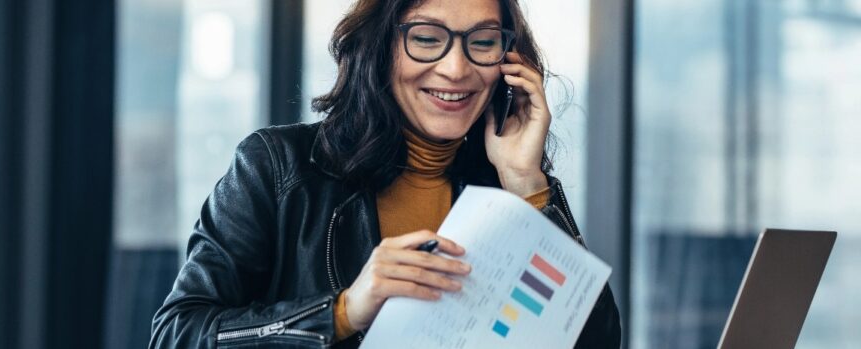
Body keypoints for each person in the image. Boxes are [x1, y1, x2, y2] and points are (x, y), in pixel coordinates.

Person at [149, 0, 622, 347]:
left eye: (481, 42)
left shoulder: (508, 183)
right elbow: (177, 333)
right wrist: (342, 311)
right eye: (426, 38)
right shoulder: (277, 167)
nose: (456, 68)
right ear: (381, 47)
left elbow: (596, 341)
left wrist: (526, 183)